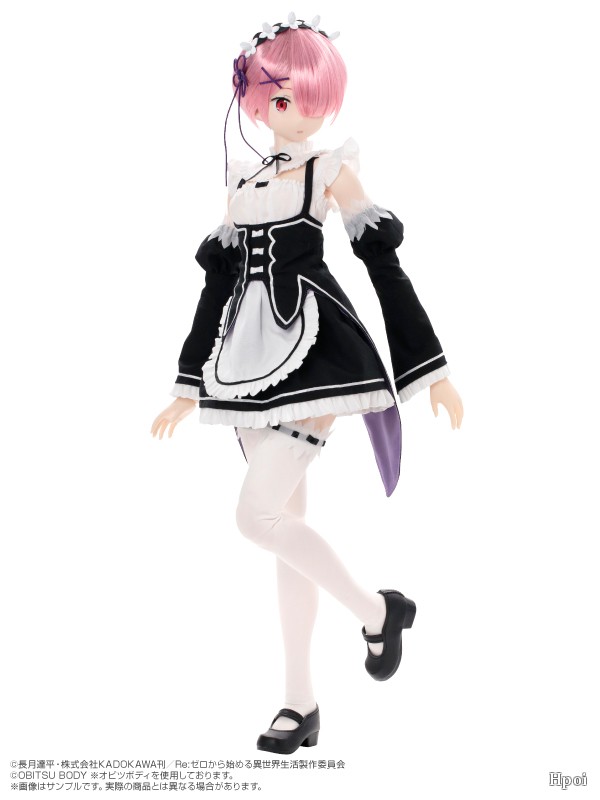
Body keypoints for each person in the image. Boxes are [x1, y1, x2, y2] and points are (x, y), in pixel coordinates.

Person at [151, 13, 463, 755]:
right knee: (284, 532)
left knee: (254, 518)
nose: (296, 113)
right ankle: (301, 703)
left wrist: (432, 368)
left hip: (316, 353)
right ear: (258, 102)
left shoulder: (330, 171)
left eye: (309, 98)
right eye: (281, 98)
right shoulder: (243, 183)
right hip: (243, 365)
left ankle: (377, 611)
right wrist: (188, 381)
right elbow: (216, 286)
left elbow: (383, 267)